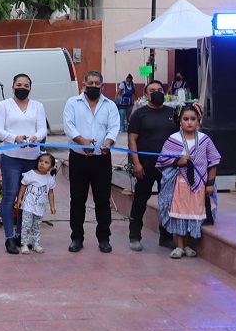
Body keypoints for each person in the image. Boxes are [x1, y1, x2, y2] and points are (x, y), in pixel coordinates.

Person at [63, 70, 120, 253]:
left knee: (102, 200)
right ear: (84, 85)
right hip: (79, 158)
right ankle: (77, 238)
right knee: (77, 199)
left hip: (102, 159)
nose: (94, 86)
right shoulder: (72, 103)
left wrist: (108, 142)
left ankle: (104, 238)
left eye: (97, 84)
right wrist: (82, 142)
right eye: (91, 83)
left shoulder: (110, 105)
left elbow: (114, 127)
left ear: (102, 86)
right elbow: (68, 125)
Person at [156, 104, 221, 259]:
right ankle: (179, 246)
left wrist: (210, 183)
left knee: (194, 214)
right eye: (186, 119)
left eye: (193, 119)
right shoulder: (173, 139)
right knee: (180, 214)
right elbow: (162, 160)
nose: (190, 122)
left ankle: (188, 245)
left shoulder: (205, 140)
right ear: (180, 121)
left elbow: (214, 161)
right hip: (179, 184)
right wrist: (178, 161)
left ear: (199, 120)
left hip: (199, 185)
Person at [0, 74, 48, 254]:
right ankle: (9, 237)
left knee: (28, 199)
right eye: (19, 85)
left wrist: (36, 138)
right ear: (12, 87)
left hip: (32, 157)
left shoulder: (38, 106)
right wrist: (14, 138)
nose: (22, 88)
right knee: (10, 197)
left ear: (30, 88)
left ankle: (21, 236)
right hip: (11, 157)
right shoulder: (4, 105)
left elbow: (42, 129)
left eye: (26, 85)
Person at [127, 80, 178, 251]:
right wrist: (136, 163)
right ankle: (134, 236)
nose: (157, 92)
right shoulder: (139, 115)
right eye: (153, 90)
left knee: (167, 202)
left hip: (169, 166)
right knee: (140, 200)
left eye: (160, 90)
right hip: (145, 165)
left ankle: (166, 237)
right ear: (146, 95)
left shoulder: (172, 113)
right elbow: (132, 140)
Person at [15, 152, 57, 255]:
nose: (42, 164)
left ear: (50, 167)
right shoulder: (30, 174)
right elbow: (23, 186)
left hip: (40, 207)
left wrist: (52, 206)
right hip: (28, 206)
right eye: (41, 161)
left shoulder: (49, 178)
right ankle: (24, 244)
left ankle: (36, 243)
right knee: (26, 225)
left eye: (46, 162)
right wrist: (19, 198)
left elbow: (50, 193)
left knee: (37, 226)